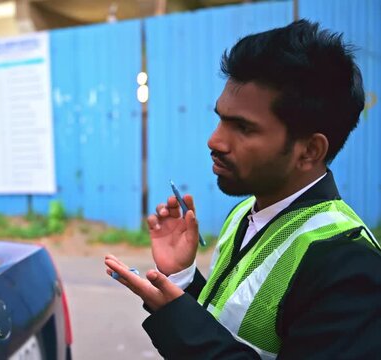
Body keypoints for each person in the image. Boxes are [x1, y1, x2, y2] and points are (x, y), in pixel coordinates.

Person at [105, 19, 381, 359]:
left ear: (309, 151)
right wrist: (182, 278)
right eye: (220, 118)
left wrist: (175, 319)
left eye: (243, 128)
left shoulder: (350, 267)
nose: (215, 140)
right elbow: (230, 325)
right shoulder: (246, 212)